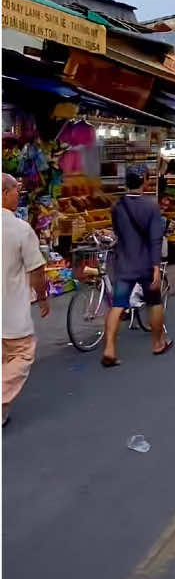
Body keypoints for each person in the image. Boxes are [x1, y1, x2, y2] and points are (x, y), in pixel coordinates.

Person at [102, 167, 171, 367]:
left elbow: (117, 232)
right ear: (145, 182)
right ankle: (158, 343)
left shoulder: (117, 206)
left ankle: (109, 349)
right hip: (146, 265)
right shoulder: (151, 207)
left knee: (118, 305)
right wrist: (156, 266)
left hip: (124, 263)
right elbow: (155, 239)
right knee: (155, 302)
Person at [2, 174, 50, 426]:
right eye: (15, 190)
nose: (18, 195)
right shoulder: (20, 229)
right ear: (4, 193)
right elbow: (37, 271)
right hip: (11, 313)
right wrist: (42, 297)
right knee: (21, 354)